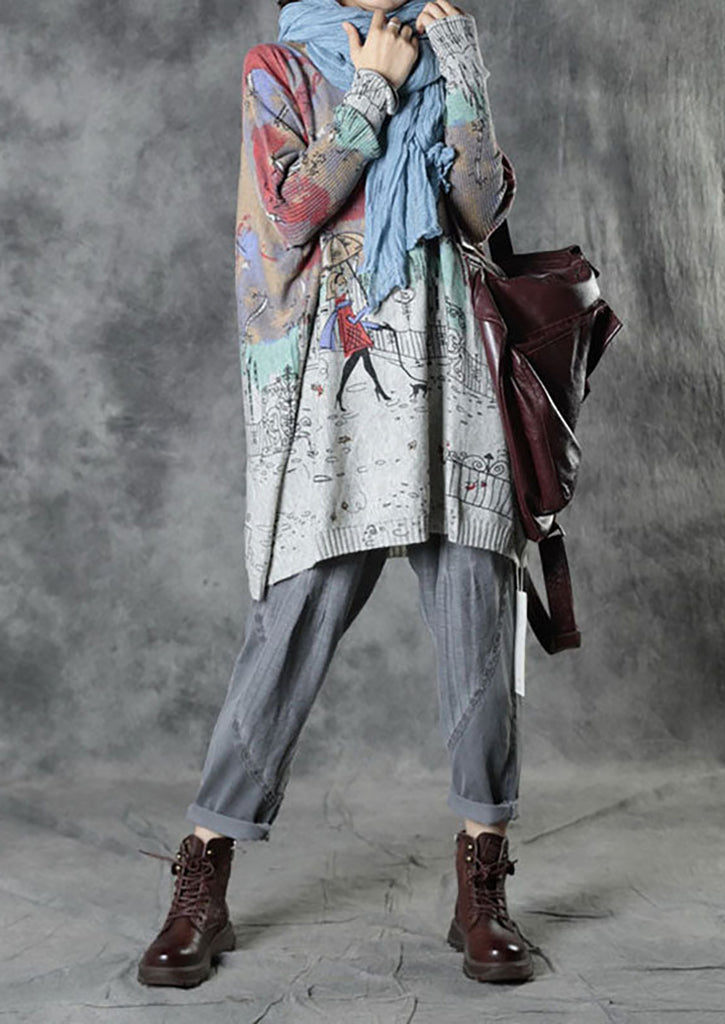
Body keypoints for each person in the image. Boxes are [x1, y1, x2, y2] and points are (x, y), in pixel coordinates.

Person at [137, 0, 534, 989]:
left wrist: (463, 72)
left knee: (478, 616)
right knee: (292, 620)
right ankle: (203, 876)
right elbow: (287, 214)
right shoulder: (277, 67)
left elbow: (482, 212)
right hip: (337, 388)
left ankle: (482, 883)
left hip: (451, 379)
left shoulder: (445, 50)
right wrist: (371, 90)